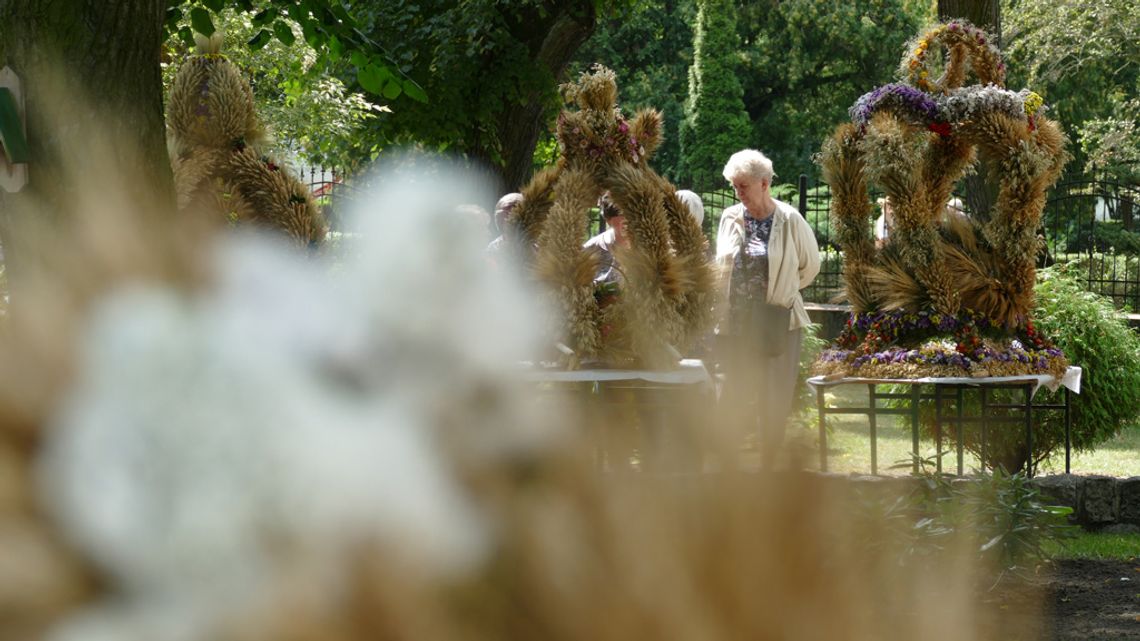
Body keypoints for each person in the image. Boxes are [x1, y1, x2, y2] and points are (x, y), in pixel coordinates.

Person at [715, 149, 820, 469]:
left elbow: (810, 267)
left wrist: (782, 291)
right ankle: (727, 468)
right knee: (731, 393)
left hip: (777, 322)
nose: (738, 192)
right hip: (734, 323)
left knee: (773, 398)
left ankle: (769, 467)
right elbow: (720, 264)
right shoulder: (730, 216)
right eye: (734, 186)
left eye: (743, 185)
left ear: (764, 183)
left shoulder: (789, 220)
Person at [583, 192, 629, 286]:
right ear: (608, 220)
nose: (627, 220)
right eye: (620, 214)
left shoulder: (655, 247)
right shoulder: (590, 250)